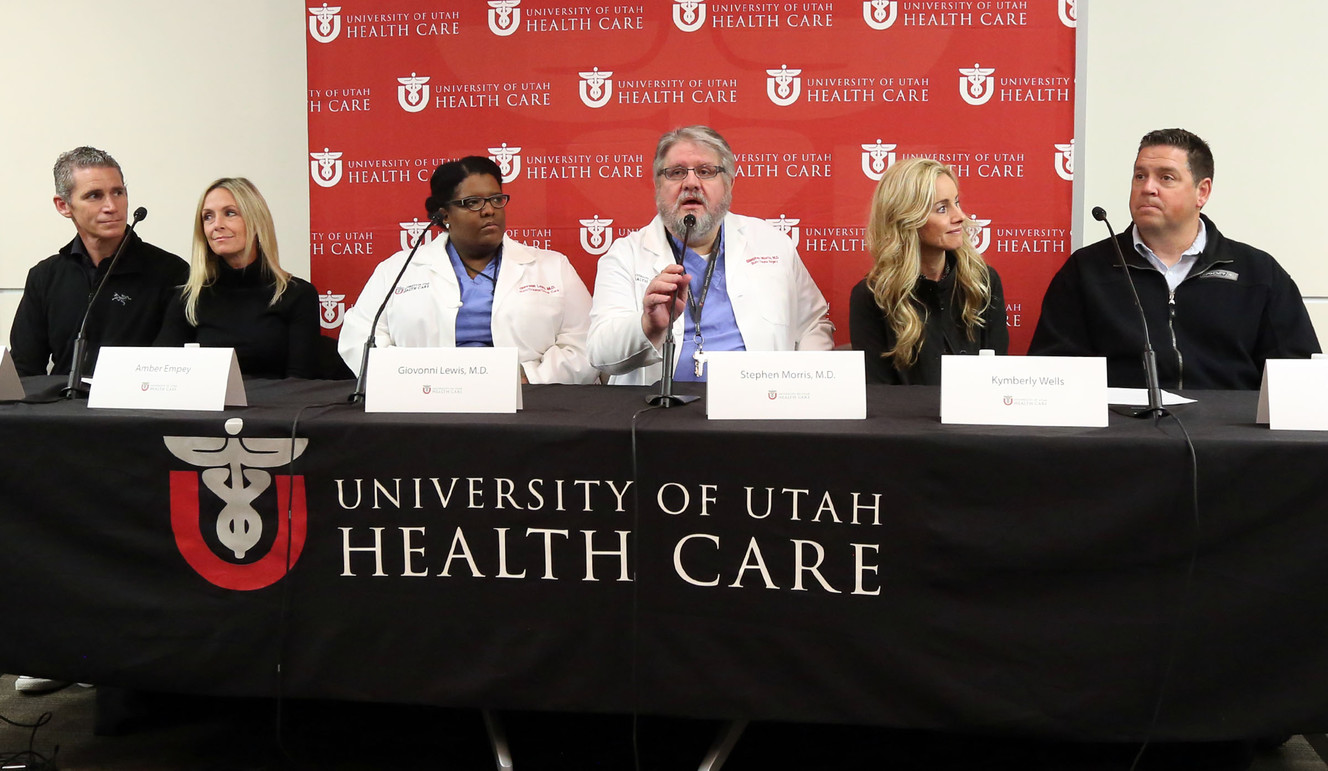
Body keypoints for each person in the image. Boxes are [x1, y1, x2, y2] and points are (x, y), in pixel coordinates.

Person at [1029, 128, 1319, 389]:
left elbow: (1299, 378)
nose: (1147, 188)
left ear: (1202, 192)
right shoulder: (1087, 270)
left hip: (1228, 429)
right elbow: (1053, 376)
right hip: (1120, 427)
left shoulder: (1258, 273)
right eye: (1140, 176)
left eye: (1166, 177)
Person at [588, 125, 834, 385]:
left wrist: (803, 388)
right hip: (659, 406)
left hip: (758, 402)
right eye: (676, 172)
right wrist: (648, 327)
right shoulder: (625, 256)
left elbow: (813, 325)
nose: (691, 183)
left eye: (706, 171)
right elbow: (600, 355)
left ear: (729, 184)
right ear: (658, 185)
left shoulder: (772, 243)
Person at [338, 156, 596, 384]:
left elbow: (585, 344)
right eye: (472, 202)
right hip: (425, 402)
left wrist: (530, 378)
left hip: (531, 402)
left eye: (496, 199)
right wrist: (414, 377)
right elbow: (359, 338)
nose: (489, 210)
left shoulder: (552, 266)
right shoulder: (398, 269)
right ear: (444, 215)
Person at [9, 146, 187, 378]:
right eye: (94, 196)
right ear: (63, 205)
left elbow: (170, 372)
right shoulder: (45, 276)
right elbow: (24, 372)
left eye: (118, 193)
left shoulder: (171, 273)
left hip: (135, 399)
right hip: (60, 400)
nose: (112, 207)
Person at [849, 157, 1007, 384]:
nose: (960, 216)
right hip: (900, 409)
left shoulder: (983, 282)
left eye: (957, 202)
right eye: (942, 209)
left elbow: (995, 381)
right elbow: (877, 392)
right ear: (907, 220)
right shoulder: (872, 296)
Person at [155, 177, 321, 378]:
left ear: (256, 221)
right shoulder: (189, 297)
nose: (217, 225)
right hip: (207, 400)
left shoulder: (297, 294)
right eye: (208, 217)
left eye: (230, 213)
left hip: (278, 399)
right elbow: (161, 374)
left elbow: (301, 383)